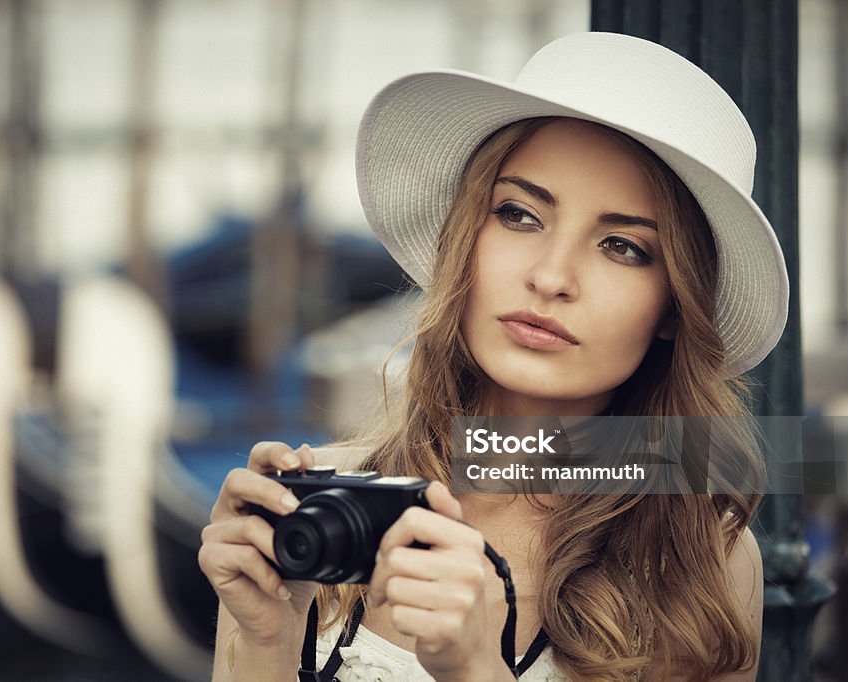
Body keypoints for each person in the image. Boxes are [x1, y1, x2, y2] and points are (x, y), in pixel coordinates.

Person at [199, 32, 786, 681]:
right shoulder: (325, 504)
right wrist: (264, 640)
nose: (551, 276)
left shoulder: (699, 562)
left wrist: (476, 666)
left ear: (676, 306)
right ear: (466, 237)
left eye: (622, 246)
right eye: (519, 213)